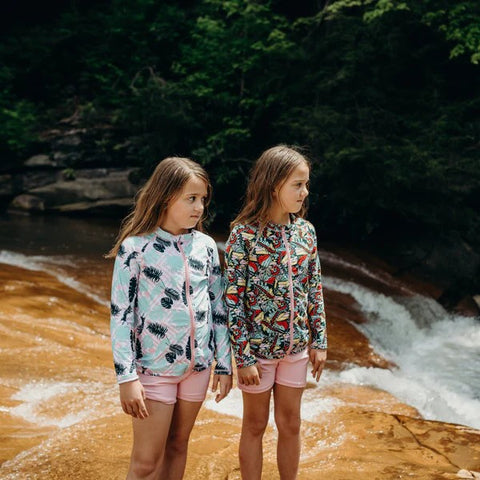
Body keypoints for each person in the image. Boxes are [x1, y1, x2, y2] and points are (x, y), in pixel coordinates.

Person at [107, 157, 232, 480]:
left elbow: (218, 307)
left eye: (203, 199)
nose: (199, 207)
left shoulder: (205, 246)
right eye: (191, 199)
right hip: (153, 371)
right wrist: (127, 378)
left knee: (178, 446)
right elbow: (121, 316)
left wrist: (224, 363)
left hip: (198, 369)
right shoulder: (134, 249)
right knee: (146, 462)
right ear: (165, 198)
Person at [224, 145, 327, 480]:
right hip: (258, 354)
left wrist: (320, 341)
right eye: (297, 184)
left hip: (296, 351)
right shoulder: (243, 234)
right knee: (254, 425)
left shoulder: (305, 232)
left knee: (291, 423)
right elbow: (233, 300)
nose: (305, 191)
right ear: (273, 186)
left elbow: (314, 288)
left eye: (306, 184)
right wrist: (244, 357)